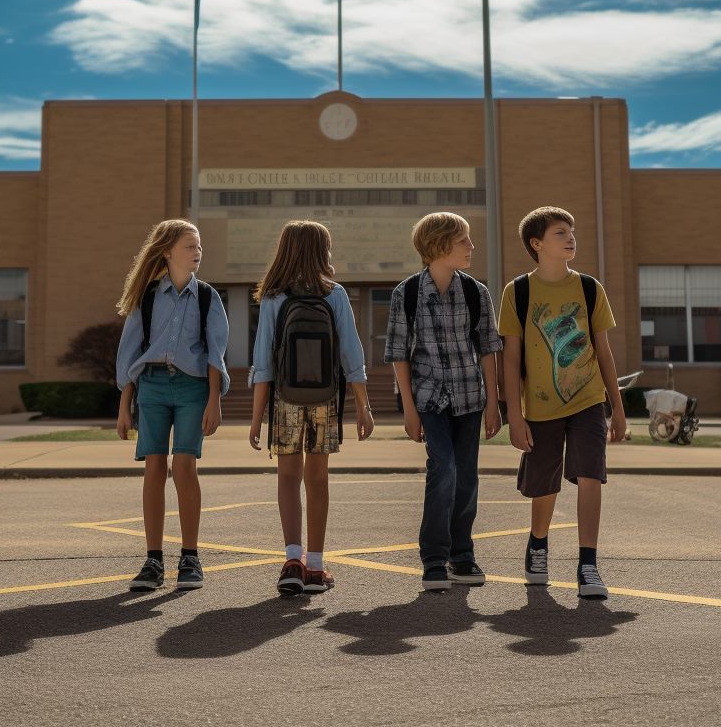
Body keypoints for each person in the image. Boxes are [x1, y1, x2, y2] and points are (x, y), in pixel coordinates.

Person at [498, 206, 626, 600]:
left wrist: (617, 407)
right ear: (537, 244)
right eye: (560, 232)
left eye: (572, 231)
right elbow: (512, 359)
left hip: (588, 399)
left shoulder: (589, 288)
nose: (571, 237)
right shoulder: (517, 292)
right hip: (539, 406)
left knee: (591, 475)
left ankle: (588, 564)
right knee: (544, 485)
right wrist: (514, 416)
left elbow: (604, 353)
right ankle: (538, 544)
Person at [249, 220, 375, 596]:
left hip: (285, 399)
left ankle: (292, 560)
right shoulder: (334, 294)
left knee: (288, 476)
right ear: (321, 251)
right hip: (326, 399)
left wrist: (257, 418)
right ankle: (316, 567)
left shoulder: (273, 296)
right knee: (317, 478)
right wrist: (363, 406)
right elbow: (352, 354)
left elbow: (263, 361)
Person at [384, 212, 503, 592]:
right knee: (445, 470)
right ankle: (434, 557)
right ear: (438, 245)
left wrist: (493, 402)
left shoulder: (476, 292)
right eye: (463, 240)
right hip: (428, 400)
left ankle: (462, 555)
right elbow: (399, 354)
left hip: (470, 398)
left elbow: (488, 349)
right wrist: (409, 409)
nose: (471, 246)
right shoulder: (407, 294)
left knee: (466, 476)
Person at [115, 219, 229, 592]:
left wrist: (214, 399)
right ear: (167, 251)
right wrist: (124, 403)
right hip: (151, 387)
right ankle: (152, 561)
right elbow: (129, 351)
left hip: (194, 389)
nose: (197, 253)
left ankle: (190, 558)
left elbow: (216, 354)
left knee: (184, 467)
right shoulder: (146, 297)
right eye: (190, 246)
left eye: (199, 247)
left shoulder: (209, 297)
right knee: (153, 469)